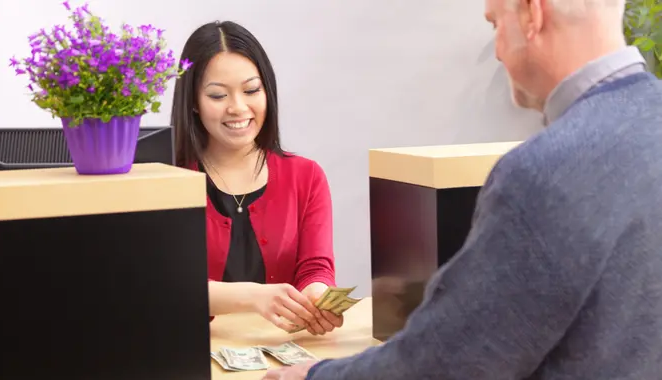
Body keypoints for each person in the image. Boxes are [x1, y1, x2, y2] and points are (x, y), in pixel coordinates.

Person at [263, 0, 662, 378]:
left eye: (495, 23)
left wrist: (315, 376)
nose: (499, 52)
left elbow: (443, 362)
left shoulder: (543, 173)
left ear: (532, 15)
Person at [170, 21, 343, 336]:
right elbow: (165, 285)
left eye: (251, 90)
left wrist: (316, 295)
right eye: (218, 95)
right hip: (191, 351)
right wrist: (253, 297)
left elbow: (315, 268)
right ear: (193, 102)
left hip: (282, 352)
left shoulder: (306, 176)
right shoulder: (166, 181)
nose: (238, 107)